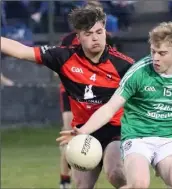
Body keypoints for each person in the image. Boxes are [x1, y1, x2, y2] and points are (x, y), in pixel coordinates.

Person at [57, 22, 172, 189]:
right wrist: (83, 131)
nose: (156, 58)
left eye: (162, 53)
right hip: (137, 139)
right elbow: (110, 108)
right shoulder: (138, 72)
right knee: (138, 185)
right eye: (153, 52)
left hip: (168, 139)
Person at [1, 6, 134, 189]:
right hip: (81, 132)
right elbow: (22, 51)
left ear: (105, 32)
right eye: (88, 34)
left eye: (99, 32)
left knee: (116, 173)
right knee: (81, 185)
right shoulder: (64, 57)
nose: (95, 38)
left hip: (116, 130)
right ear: (78, 37)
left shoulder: (124, 65)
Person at [58, 26, 116, 189]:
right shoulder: (69, 40)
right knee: (69, 131)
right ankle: (64, 179)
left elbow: (112, 61)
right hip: (73, 93)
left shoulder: (105, 39)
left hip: (100, 94)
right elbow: (59, 65)